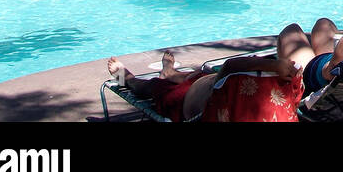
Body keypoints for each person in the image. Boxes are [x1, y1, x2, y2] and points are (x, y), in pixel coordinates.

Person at [106, 24, 310, 122]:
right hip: (208, 83)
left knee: (148, 86)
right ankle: (170, 71)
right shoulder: (278, 106)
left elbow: (230, 66)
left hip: (185, 99)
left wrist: (276, 67)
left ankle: (126, 77)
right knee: (195, 76)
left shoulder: (233, 99)